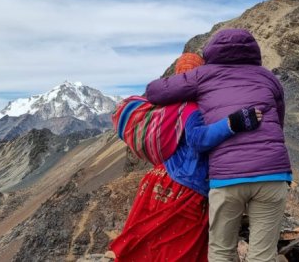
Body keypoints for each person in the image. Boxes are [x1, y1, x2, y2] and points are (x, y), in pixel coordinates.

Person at [145, 29, 292, 262]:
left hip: (228, 178)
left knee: (221, 251)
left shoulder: (203, 75)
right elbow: (279, 121)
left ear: (213, 51)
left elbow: (154, 91)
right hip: (272, 174)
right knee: (263, 255)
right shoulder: (267, 77)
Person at [110, 53, 263, 261]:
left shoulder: (167, 105)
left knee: (149, 242)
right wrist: (233, 123)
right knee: (178, 248)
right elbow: (198, 140)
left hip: (157, 178)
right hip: (184, 185)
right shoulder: (193, 107)